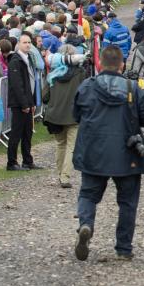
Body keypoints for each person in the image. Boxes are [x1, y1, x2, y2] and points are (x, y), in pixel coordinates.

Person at [72, 45, 144, 261]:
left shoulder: (87, 86)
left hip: (93, 151)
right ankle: (123, 248)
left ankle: (86, 224)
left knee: (88, 194)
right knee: (127, 202)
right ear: (122, 65)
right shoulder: (133, 88)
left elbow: (76, 115)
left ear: (99, 64)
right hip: (126, 152)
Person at [44, 45, 90, 188]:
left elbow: (45, 96)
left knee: (60, 144)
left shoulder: (52, 74)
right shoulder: (81, 73)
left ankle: (60, 174)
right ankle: (65, 176)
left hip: (55, 114)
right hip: (73, 114)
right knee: (71, 146)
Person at [6, 32, 40, 171]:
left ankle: (27, 160)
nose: (27, 45)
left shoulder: (28, 58)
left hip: (28, 100)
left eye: (29, 42)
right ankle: (12, 162)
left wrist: (31, 103)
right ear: (18, 44)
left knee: (28, 132)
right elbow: (17, 84)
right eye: (24, 42)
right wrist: (24, 104)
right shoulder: (15, 60)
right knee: (16, 133)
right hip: (18, 103)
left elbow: (30, 82)